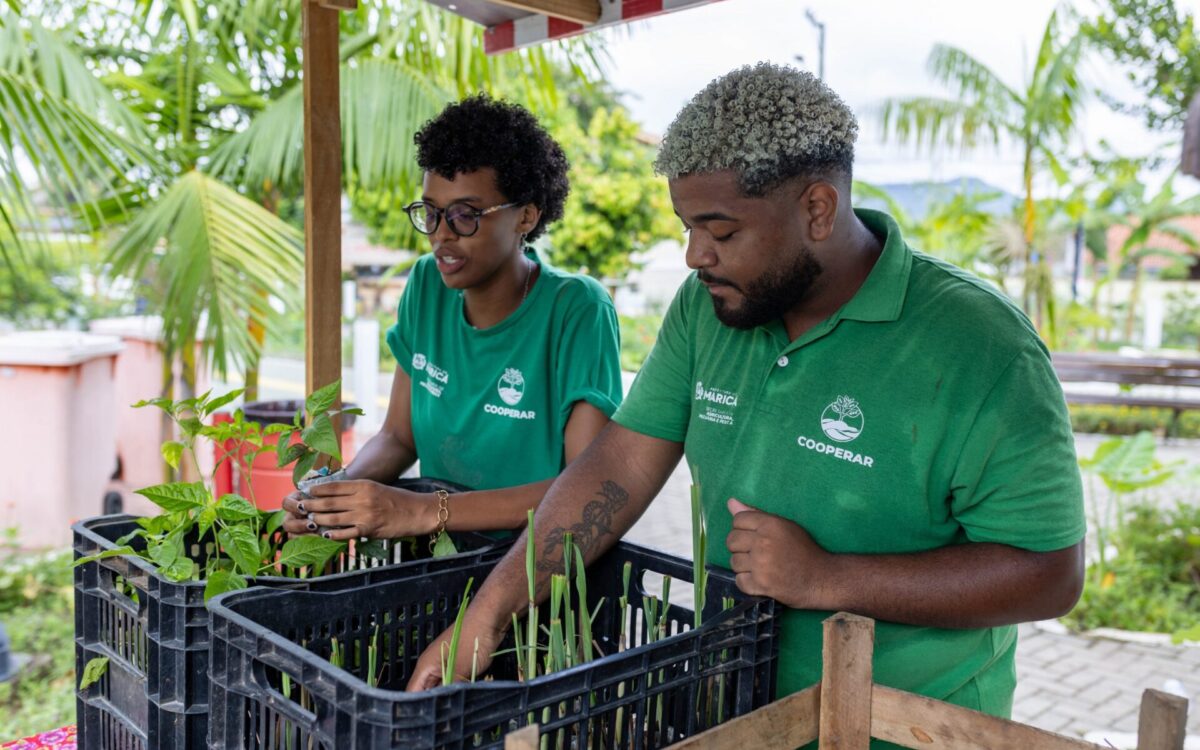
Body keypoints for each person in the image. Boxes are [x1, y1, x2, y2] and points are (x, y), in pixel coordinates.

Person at [405, 63, 1086, 727]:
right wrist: (489, 613)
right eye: (688, 227)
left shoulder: (981, 347)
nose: (696, 255)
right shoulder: (705, 311)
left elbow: (1049, 574)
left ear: (817, 208)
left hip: (912, 727)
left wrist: (828, 578)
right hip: (737, 709)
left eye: (722, 231)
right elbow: (614, 468)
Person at [282, 95, 622, 542]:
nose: (442, 234)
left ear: (526, 215)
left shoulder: (577, 310)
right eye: (431, 212)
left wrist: (423, 510)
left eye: (466, 215)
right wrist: (334, 494)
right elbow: (399, 437)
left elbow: (586, 490)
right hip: (440, 565)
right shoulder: (426, 285)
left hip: (540, 579)